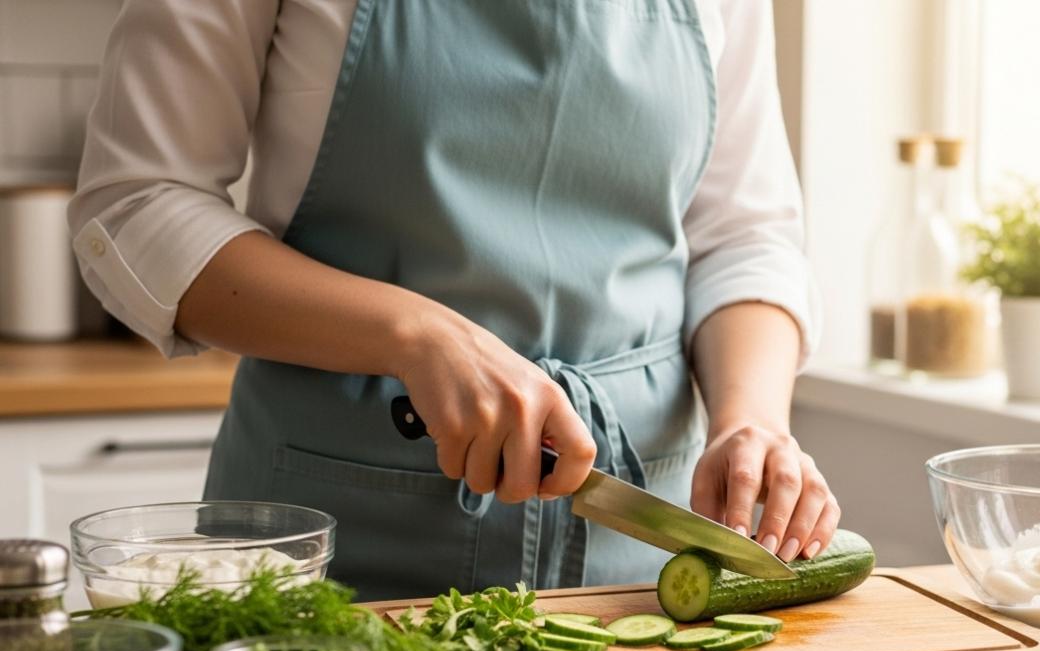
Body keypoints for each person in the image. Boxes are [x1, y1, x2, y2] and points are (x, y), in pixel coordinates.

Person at [69, 0, 838, 601]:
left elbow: (743, 234)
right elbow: (137, 205)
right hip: (330, 547)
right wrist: (417, 334)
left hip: (638, 555)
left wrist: (752, 418)